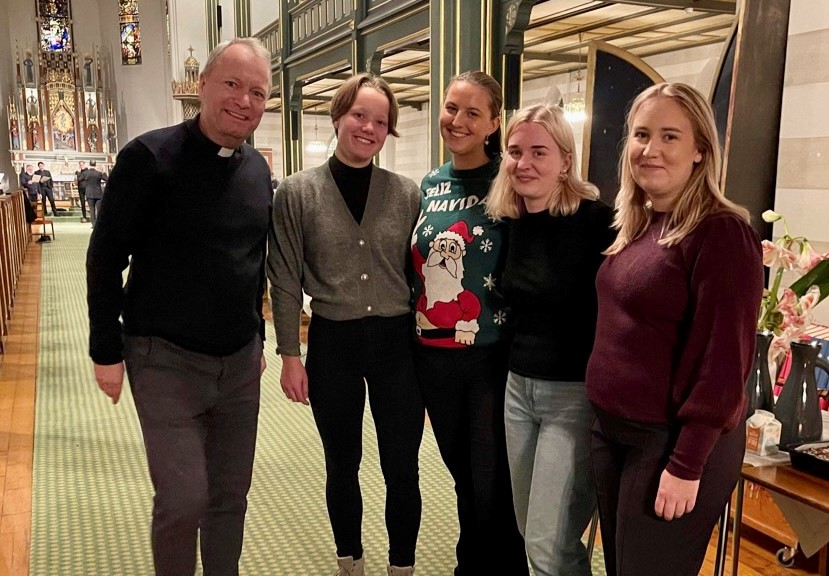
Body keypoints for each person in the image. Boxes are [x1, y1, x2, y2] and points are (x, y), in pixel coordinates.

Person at [86, 37, 273, 576]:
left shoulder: (257, 171)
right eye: (232, 85)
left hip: (238, 364)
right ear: (202, 86)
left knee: (229, 498)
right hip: (162, 356)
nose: (244, 100)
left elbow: (251, 261)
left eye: (257, 92)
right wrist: (106, 351)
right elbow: (103, 259)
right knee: (185, 497)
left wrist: (256, 335)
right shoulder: (149, 158)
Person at [585, 82, 764, 576]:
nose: (651, 149)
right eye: (642, 135)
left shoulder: (722, 233)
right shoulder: (640, 225)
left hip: (669, 444)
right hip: (614, 431)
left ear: (700, 151)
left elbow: (725, 364)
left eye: (670, 137)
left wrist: (687, 465)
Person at [268, 73, 423, 576]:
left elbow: (420, 277)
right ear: (338, 117)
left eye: (381, 121)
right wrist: (290, 353)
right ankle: (349, 561)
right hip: (333, 341)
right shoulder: (297, 192)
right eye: (359, 115)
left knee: (402, 466)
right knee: (343, 463)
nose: (369, 128)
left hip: (398, 344)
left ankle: (402, 565)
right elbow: (285, 278)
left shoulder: (406, 193)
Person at [485, 104, 615, 576]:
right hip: (518, 391)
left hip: (572, 396)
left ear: (565, 159)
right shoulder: (512, 221)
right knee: (534, 532)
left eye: (539, 151)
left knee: (547, 541)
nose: (525, 163)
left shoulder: (600, 222)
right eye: (515, 152)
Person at [409, 71, 528, 576]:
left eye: (472, 113)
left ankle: (488, 567)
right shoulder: (430, 183)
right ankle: (477, 562)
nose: (457, 121)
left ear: (493, 124)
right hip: (432, 356)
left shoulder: (510, 180)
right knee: (462, 475)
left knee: (490, 478)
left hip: (489, 356)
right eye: (451, 108)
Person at [84, 160, 107, 227]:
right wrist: (104, 171)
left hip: (89, 193)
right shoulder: (99, 173)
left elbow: (79, 180)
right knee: (99, 209)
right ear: (95, 165)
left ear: (89, 164)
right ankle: (99, 224)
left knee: (92, 209)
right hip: (98, 193)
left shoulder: (86, 173)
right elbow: (107, 179)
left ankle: (93, 224)